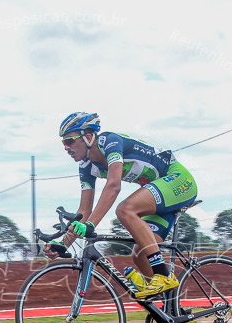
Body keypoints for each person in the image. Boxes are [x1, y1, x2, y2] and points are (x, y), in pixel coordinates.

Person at [46, 112, 198, 300]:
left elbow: (113, 186)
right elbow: (84, 211)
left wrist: (91, 225)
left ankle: (163, 276)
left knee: (125, 209)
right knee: (141, 255)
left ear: (87, 136)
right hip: (161, 194)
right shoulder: (86, 167)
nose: (66, 148)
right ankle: (175, 314)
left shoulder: (110, 142)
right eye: (64, 143)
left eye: (69, 141)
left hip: (178, 180)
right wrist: (63, 244)